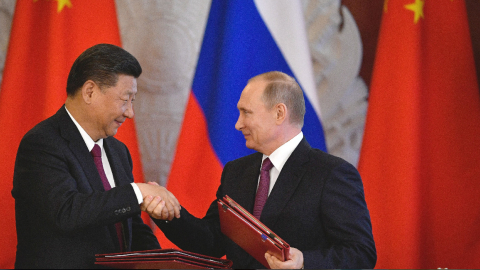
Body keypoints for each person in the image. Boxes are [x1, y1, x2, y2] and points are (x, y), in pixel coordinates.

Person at [142, 71, 376, 269]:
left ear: (279, 113)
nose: (238, 124)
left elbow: (361, 252)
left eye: (246, 112)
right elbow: (211, 241)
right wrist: (169, 213)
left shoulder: (331, 173)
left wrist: (304, 261)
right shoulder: (236, 172)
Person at [11, 43, 181, 269]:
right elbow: (67, 212)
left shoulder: (118, 152)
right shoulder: (42, 143)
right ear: (89, 91)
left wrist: (160, 262)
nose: (130, 112)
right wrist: (138, 191)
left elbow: (131, 225)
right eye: (125, 99)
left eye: (133, 101)